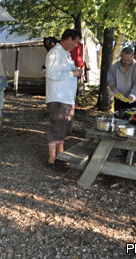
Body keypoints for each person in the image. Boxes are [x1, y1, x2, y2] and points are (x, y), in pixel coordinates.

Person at [45, 29, 82, 170]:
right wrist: (73, 73)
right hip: (58, 97)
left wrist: (75, 73)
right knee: (56, 129)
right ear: (68, 39)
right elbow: (52, 74)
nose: (75, 45)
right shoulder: (54, 53)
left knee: (65, 129)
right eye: (75, 42)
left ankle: (61, 155)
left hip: (67, 98)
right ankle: (52, 159)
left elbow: (67, 74)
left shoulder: (66, 55)